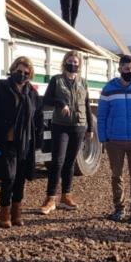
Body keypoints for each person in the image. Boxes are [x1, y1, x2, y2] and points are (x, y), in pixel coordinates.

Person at [0, 57, 44, 228]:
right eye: (19, 71)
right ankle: (4, 213)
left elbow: (37, 117)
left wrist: (38, 139)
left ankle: (17, 212)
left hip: (25, 142)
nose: (22, 75)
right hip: (6, 141)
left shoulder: (31, 92)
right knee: (8, 177)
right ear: (13, 70)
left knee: (21, 178)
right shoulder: (1, 88)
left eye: (26, 72)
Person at [97, 55, 131, 225]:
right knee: (116, 176)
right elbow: (102, 116)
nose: (130, 72)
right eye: (127, 69)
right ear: (120, 69)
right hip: (114, 141)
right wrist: (103, 139)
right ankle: (119, 209)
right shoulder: (108, 89)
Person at [40, 50, 95, 214]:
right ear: (65, 62)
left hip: (79, 126)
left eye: (76, 63)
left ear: (80, 65)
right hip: (60, 125)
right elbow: (47, 99)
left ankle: (66, 196)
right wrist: (61, 102)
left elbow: (86, 105)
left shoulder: (83, 82)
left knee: (70, 162)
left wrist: (90, 128)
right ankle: (50, 198)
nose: (73, 64)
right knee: (58, 161)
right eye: (70, 61)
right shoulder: (57, 80)